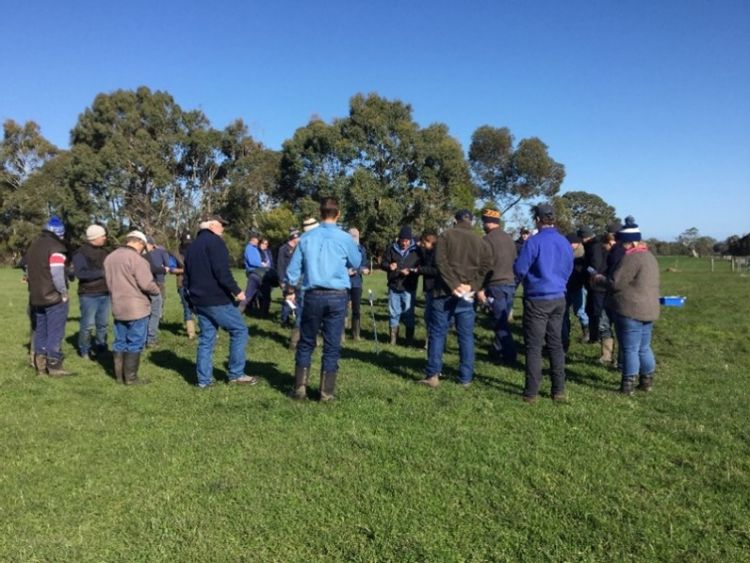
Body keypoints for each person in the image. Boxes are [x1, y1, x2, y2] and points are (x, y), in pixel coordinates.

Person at [286, 197, 361, 401]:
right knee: (332, 344)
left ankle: (300, 389)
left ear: (320, 214)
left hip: (313, 294)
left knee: (306, 341)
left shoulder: (306, 238)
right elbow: (356, 261)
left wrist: (290, 287)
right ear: (338, 214)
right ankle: (326, 392)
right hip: (337, 295)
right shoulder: (345, 238)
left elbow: (293, 270)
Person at [419, 209, 492, 389]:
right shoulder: (480, 242)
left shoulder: (446, 236)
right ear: (472, 222)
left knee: (437, 333)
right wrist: (472, 286)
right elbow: (487, 267)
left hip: (443, 293)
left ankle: (433, 374)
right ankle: (465, 378)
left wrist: (453, 285)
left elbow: (440, 262)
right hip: (467, 295)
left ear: (454, 220)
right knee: (466, 336)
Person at [184, 216, 257, 388]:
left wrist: (189, 298)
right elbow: (221, 271)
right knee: (239, 330)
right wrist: (237, 291)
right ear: (212, 226)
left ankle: (204, 380)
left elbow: (186, 275)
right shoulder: (215, 242)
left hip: (198, 299)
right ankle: (236, 374)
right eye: (221, 226)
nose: (223, 229)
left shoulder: (192, 246)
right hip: (216, 298)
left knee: (207, 338)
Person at [514, 204, 574, 403]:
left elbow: (520, 268)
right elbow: (568, 268)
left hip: (537, 298)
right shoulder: (564, 242)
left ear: (538, 220)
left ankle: (531, 392)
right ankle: (558, 390)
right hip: (558, 297)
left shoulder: (533, 242)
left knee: (534, 346)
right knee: (555, 344)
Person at [596, 218, 660, 395]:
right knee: (644, 347)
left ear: (630, 242)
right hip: (650, 309)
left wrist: (600, 279)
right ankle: (647, 381)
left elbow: (616, 282)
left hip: (630, 309)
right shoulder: (650, 257)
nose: (622, 247)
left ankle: (627, 384)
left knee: (630, 348)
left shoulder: (631, 258)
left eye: (623, 243)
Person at [104, 230, 161, 385]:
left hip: (117, 305)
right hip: (136, 307)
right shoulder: (137, 259)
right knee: (135, 341)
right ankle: (131, 378)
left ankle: (118, 376)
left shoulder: (110, 257)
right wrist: (157, 290)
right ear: (140, 243)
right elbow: (146, 284)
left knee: (119, 340)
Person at [25, 216, 73, 376]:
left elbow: (28, 271)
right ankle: (54, 366)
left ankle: (40, 365)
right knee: (55, 331)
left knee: (40, 330)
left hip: (36, 296)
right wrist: (63, 292)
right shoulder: (56, 248)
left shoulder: (34, 246)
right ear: (60, 233)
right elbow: (57, 273)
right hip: (53, 297)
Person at [477, 209, 517, 364]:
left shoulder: (487, 240)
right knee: (503, 318)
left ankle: (510, 355)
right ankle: (496, 349)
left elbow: (483, 266)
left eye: (483, 221)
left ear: (487, 221)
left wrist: (479, 289)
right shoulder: (509, 239)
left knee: (499, 323)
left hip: (495, 285)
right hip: (510, 283)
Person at [72, 224, 110, 360]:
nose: (105, 238)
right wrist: (102, 273)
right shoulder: (80, 253)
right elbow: (81, 274)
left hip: (105, 293)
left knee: (103, 324)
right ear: (95, 237)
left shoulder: (105, 252)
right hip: (88, 294)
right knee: (88, 325)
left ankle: (101, 347)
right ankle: (84, 350)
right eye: (103, 236)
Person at [381, 226, 421, 346]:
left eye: (407, 241)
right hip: (394, 285)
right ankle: (393, 339)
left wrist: (411, 271)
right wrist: (389, 266)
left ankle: (409, 341)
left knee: (408, 313)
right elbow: (383, 263)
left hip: (409, 286)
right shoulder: (391, 248)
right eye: (403, 240)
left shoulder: (416, 250)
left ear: (410, 240)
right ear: (399, 239)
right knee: (393, 312)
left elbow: (421, 267)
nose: (404, 243)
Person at [562, 232, 589, 352]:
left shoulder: (582, 254)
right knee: (564, 312)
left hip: (578, 286)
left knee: (580, 311)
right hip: (567, 286)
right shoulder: (566, 252)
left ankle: (586, 332)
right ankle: (565, 333)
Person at [581, 226, 607, 345]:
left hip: (597, 285)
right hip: (595, 285)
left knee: (596, 312)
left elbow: (595, 266)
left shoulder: (594, 246)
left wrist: (585, 268)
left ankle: (597, 337)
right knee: (591, 311)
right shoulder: (595, 245)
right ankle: (593, 336)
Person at [145, 236, 170, 347]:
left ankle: (144, 336)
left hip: (141, 286)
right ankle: (151, 338)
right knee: (157, 307)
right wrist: (164, 269)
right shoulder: (147, 254)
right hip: (155, 282)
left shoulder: (135, 254)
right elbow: (156, 268)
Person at [346, 227, 370, 341]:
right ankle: (340, 334)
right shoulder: (343, 248)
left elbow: (365, 265)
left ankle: (356, 333)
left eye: (356, 236)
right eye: (352, 236)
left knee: (356, 309)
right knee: (342, 308)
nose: (355, 239)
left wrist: (363, 270)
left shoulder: (362, 249)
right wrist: (347, 271)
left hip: (356, 283)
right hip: (344, 282)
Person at [416, 231, 438, 350]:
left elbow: (436, 270)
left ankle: (432, 343)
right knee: (428, 317)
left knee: (431, 316)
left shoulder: (437, 253)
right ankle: (429, 342)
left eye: (424, 243)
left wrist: (420, 270)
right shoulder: (429, 252)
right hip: (429, 288)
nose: (422, 245)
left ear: (430, 241)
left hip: (435, 288)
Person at [276, 228, 300, 328]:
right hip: (286, 279)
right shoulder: (283, 249)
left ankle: (296, 321)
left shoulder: (297, 249)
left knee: (297, 300)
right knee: (288, 300)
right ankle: (284, 320)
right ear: (294, 237)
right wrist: (281, 280)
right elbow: (280, 265)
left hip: (297, 279)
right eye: (298, 237)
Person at [175, 234, 195, 339]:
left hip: (196, 283)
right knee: (187, 307)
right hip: (182, 283)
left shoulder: (197, 251)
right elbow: (171, 269)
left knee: (201, 307)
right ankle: (191, 332)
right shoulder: (176, 254)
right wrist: (185, 270)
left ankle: (207, 330)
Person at [238, 232, 262, 314]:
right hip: (253, 272)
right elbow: (252, 262)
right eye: (257, 239)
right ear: (253, 239)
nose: (258, 241)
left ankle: (254, 310)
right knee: (249, 294)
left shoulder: (255, 248)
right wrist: (261, 264)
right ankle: (238, 311)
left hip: (258, 272)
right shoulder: (249, 248)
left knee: (256, 294)